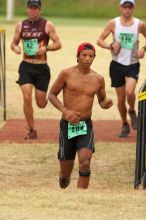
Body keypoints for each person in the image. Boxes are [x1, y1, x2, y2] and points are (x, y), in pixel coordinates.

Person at [48, 42, 113, 189]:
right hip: (67, 126)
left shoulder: (98, 79)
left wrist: (106, 103)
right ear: (77, 57)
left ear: (94, 58)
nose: (87, 59)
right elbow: (51, 95)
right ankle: (64, 177)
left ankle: (80, 197)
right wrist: (65, 111)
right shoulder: (66, 73)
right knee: (65, 173)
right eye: (84, 55)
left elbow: (102, 101)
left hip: (85, 126)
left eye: (91, 56)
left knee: (85, 162)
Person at [10, 0, 62, 139]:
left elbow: (58, 44)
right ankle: (32, 129)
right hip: (26, 66)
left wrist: (46, 48)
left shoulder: (47, 25)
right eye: (31, 8)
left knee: (41, 104)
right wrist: (16, 48)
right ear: (27, 9)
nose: (33, 11)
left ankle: (47, 97)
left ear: (40, 10)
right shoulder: (20, 25)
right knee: (26, 97)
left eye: (35, 8)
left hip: (41, 68)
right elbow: (13, 43)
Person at [97, 0, 146, 137]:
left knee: (130, 92)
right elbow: (99, 40)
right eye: (125, 6)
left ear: (133, 8)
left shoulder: (139, 24)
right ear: (120, 7)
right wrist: (110, 45)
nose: (127, 9)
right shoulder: (113, 23)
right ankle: (125, 124)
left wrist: (143, 48)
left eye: (130, 6)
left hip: (133, 63)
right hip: (117, 64)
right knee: (120, 98)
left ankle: (131, 110)